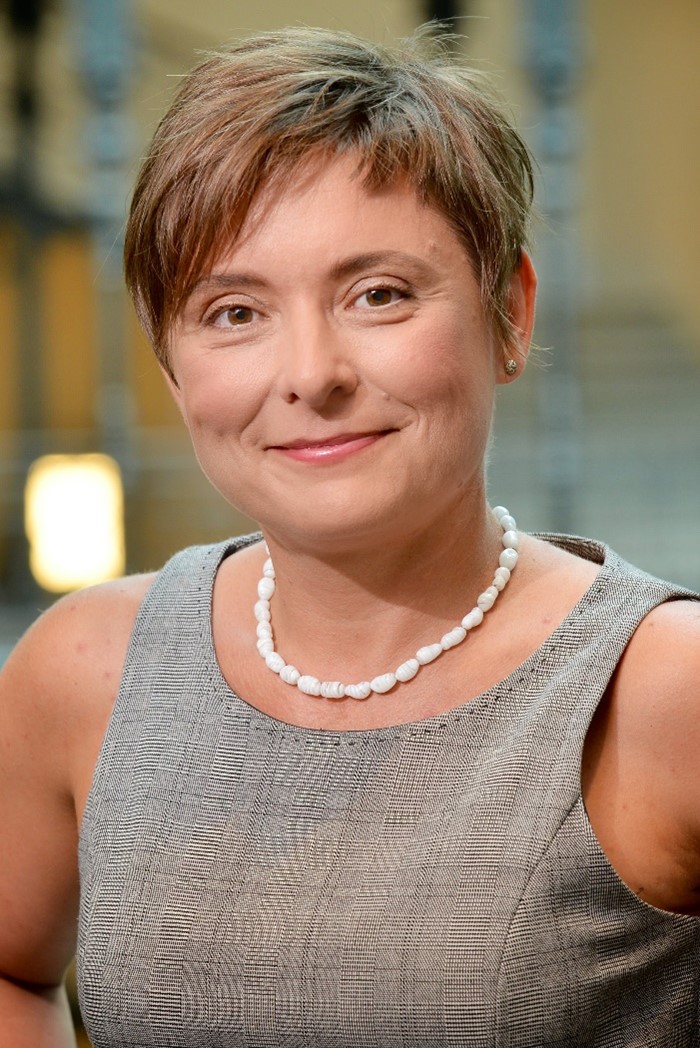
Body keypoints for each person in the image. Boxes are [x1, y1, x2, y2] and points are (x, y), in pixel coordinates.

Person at [1, 25, 698, 1048]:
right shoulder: (87, 667)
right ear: (170, 363)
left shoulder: (662, 691)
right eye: (234, 312)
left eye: (378, 295)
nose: (311, 374)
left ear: (509, 313)